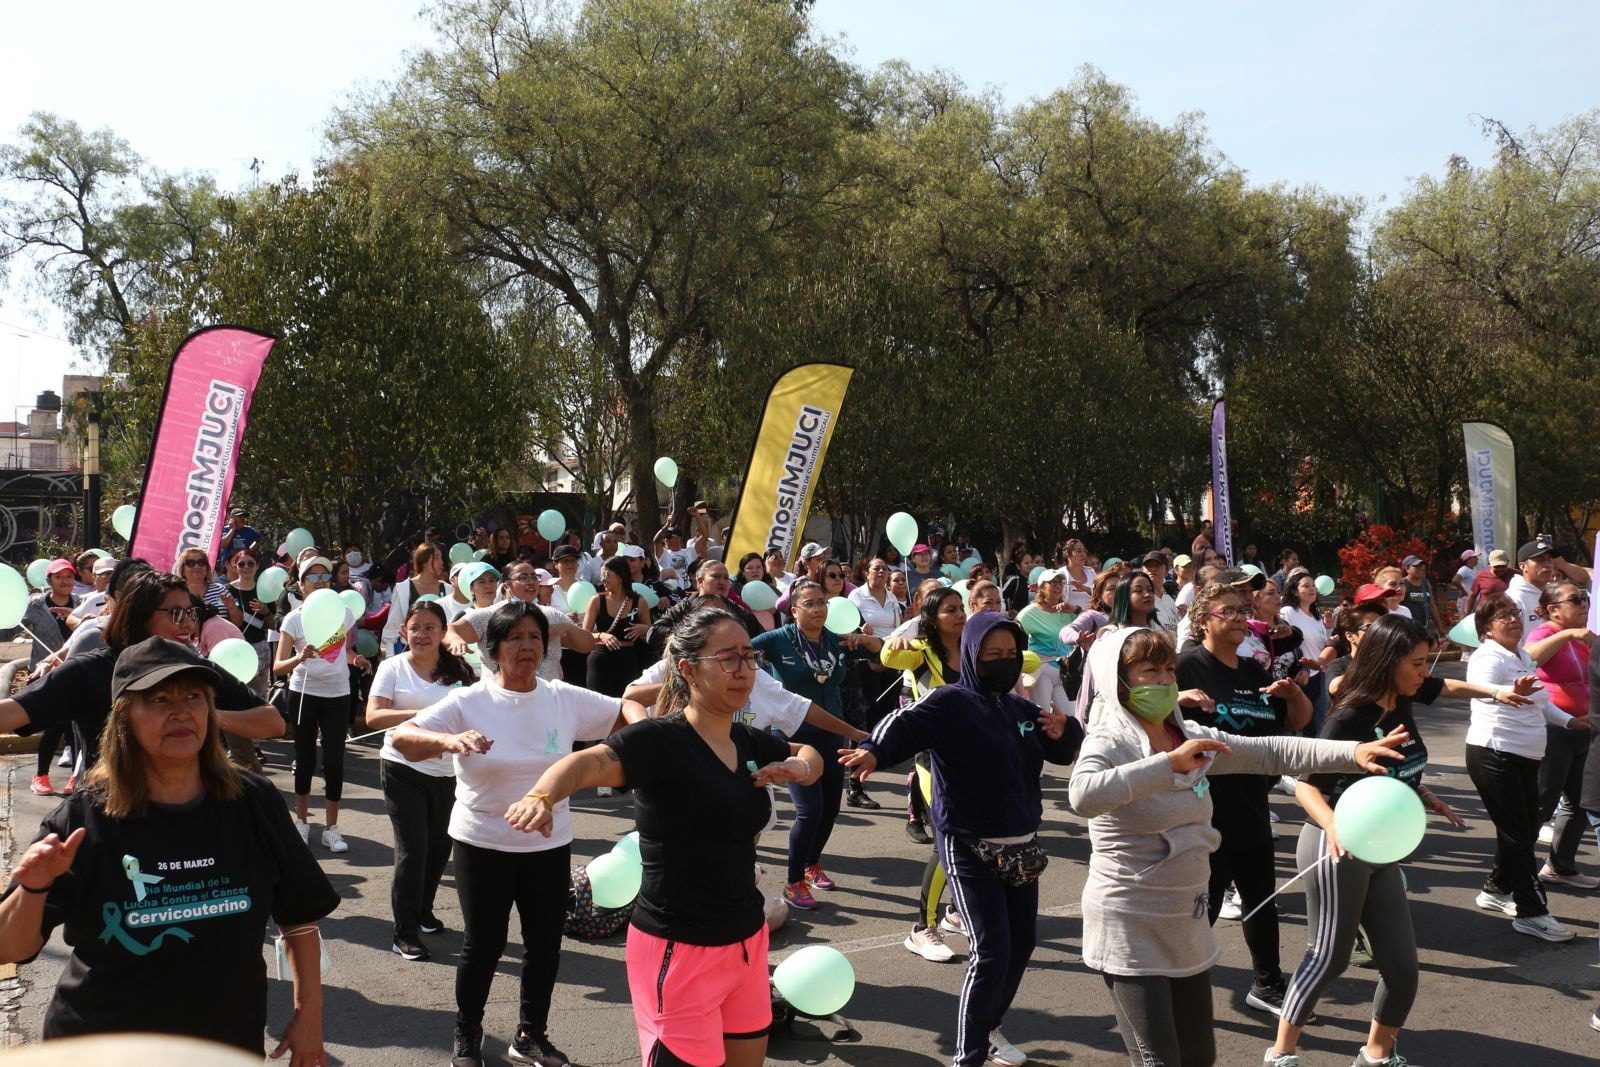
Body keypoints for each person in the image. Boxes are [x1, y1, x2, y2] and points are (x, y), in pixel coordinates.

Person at [1070, 626, 1403, 1067]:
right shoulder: (1108, 741)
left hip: (1184, 919)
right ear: (1118, 681)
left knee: (1199, 1058)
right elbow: (1082, 795)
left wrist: (1353, 751)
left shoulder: (1186, 732)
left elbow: (1268, 751)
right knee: (1159, 1061)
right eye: (1149, 670)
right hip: (1129, 922)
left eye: (1169, 669)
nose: (1165, 680)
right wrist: (1165, 765)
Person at [0, 637, 336, 1059]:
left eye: (193, 696)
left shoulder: (254, 802)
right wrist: (33, 889)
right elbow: (10, 948)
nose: (180, 711)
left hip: (224, 1045)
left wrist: (309, 1015)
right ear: (125, 719)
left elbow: (299, 919)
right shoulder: (84, 818)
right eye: (159, 699)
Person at [513, 606, 821, 1067]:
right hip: (678, 951)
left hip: (746, 942)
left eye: (749, 657)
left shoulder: (750, 741)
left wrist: (799, 767)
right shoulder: (658, 741)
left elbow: (809, 754)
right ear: (688, 670)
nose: (743, 670)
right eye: (728, 659)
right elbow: (583, 764)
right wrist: (542, 794)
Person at [393, 601, 646, 1067]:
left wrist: (638, 719)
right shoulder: (469, 701)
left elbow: (623, 708)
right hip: (481, 843)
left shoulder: (562, 697)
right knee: (483, 944)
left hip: (548, 845)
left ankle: (530, 1035)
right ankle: (467, 1035)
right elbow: (402, 738)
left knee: (544, 943)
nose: (527, 646)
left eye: (536, 637)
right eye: (515, 638)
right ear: (493, 650)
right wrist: (448, 741)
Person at [843, 611, 1084, 1067]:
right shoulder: (949, 701)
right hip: (969, 843)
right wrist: (874, 750)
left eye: (1011, 654)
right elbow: (903, 723)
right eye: (993, 654)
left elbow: (1060, 747)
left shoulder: (1019, 708)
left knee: (1022, 944)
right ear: (973, 655)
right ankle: (968, 1056)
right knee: (991, 951)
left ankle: (990, 1026)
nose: (1004, 662)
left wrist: (1064, 730)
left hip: (1022, 846)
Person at [1267, 615, 1464, 1067]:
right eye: (1416, 663)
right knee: (1330, 957)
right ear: (1389, 661)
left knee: (1402, 969)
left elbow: (1396, 765)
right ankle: (1281, 1054)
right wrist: (1336, 826)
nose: (1425, 672)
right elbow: (1306, 785)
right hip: (1334, 845)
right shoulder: (1352, 715)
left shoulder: (1403, 702)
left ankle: (1376, 1055)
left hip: (1379, 848)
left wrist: (1422, 794)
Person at [1176, 579, 1312, 1015]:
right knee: (1205, 903)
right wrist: (1177, 696)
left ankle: (1268, 985)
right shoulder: (1186, 665)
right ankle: (1178, 981)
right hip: (1203, 806)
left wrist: (1293, 695)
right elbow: (1138, 708)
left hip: (1252, 802)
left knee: (1262, 898)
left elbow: (1297, 722)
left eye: (1241, 611)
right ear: (1202, 621)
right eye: (1227, 612)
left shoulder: (1254, 671)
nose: (1238, 618)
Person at [1, 571, 283, 767]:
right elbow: (10, 714)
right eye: (175, 613)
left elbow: (273, 723)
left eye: (191, 613)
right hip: (114, 819)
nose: (187, 624)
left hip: (189, 821)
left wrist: (204, 713)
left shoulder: (197, 670)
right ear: (140, 616)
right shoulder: (89, 670)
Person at [753, 579, 882, 909]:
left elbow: (882, 652)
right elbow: (741, 649)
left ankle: (811, 865)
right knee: (809, 812)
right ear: (794, 610)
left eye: (822, 602)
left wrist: (865, 639)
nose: (818, 609)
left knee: (830, 810)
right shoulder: (777, 640)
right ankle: (793, 882)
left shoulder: (834, 641)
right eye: (809, 603)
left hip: (833, 734)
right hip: (795, 737)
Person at [1465, 593, 1586, 941]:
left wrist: (1569, 722)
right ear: (1486, 627)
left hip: (1524, 755)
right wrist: (1506, 690)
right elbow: (1481, 691)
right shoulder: (1488, 656)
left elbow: (1541, 703)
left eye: (1515, 613)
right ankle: (1531, 911)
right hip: (1495, 753)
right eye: (1502, 616)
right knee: (1519, 833)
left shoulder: (1518, 656)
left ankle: (1495, 889)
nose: (1513, 619)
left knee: (1525, 826)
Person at [367, 601, 478, 962]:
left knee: (438, 849)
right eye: (415, 628)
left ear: (444, 632)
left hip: (447, 772)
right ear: (404, 632)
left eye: (431, 627)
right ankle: (405, 932)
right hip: (402, 768)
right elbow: (373, 716)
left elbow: (474, 709)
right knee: (413, 850)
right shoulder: (392, 668)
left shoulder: (458, 669)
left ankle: (424, 910)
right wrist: (424, 715)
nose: (422, 635)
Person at [274, 556, 372, 852]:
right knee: (304, 760)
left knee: (334, 762)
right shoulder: (293, 619)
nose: (319, 582)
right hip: (304, 692)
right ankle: (302, 822)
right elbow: (278, 667)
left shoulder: (343, 613)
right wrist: (299, 658)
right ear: (301, 585)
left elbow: (344, 646)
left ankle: (332, 829)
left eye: (324, 577)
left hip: (338, 694)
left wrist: (356, 658)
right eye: (312, 577)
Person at [1525, 580, 1598, 888]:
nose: (1584, 603)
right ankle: (1515, 871)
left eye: (1585, 598)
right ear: (1553, 610)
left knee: (1581, 801)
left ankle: (1560, 865)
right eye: (1576, 600)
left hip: (1585, 728)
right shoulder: (1544, 632)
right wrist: (1567, 634)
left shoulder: (1588, 636)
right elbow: (1528, 658)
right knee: (1543, 801)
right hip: (1553, 730)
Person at [23, 560, 80, 796]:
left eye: (69, 576)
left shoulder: (82, 605)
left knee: (75, 726)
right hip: (44, 672)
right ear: (49, 581)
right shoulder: (35, 605)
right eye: (59, 577)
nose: (65, 581)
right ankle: (41, 776)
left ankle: (77, 777)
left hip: (75, 671)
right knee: (54, 725)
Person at [583, 556, 652, 697]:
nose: (602, 579)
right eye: (601, 575)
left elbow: (652, 632)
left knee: (626, 705)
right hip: (600, 659)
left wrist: (643, 629)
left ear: (621, 576)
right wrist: (601, 635)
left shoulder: (639, 601)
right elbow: (584, 635)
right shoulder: (597, 600)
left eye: (606, 575)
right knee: (599, 706)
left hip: (627, 660)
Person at [225, 550, 276, 699]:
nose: (246, 567)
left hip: (258, 648)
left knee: (258, 695)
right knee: (234, 693)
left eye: (250, 563)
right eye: (241, 564)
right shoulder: (227, 590)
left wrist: (265, 611)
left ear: (257, 565)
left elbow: (273, 626)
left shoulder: (265, 591)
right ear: (235, 566)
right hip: (234, 649)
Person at [382, 542, 448, 654]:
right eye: (436, 558)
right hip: (411, 654)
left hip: (442, 655)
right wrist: (390, 657)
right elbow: (392, 628)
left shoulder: (448, 589)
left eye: (441, 558)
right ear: (424, 560)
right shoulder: (403, 589)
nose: (441, 563)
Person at [177, 546, 242, 628]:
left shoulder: (220, 590)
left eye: (201, 562)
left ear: (207, 568)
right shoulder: (176, 593)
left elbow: (238, 623)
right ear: (182, 570)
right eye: (190, 563)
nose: (197, 566)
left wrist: (232, 608)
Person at [1507, 540, 1556, 637]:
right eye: (1540, 560)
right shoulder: (1513, 598)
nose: (1547, 564)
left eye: (1549, 559)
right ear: (1523, 566)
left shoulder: (1556, 594)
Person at [1398, 555, 1442, 635]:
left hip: (1424, 627)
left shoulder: (1426, 583)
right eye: (1416, 566)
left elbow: (1432, 605)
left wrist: (1440, 627)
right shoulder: (1402, 584)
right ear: (1407, 569)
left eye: (1421, 566)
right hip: (1408, 629)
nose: (1421, 568)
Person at [1467, 548, 1513, 613]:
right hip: (1486, 614)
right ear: (1489, 564)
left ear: (1508, 562)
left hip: (1507, 613)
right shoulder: (1481, 575)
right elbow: (1472, 596)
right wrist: (1466, 615)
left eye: (1503, 566)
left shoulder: (1515, 575)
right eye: (1496, 566)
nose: (1500, 569)